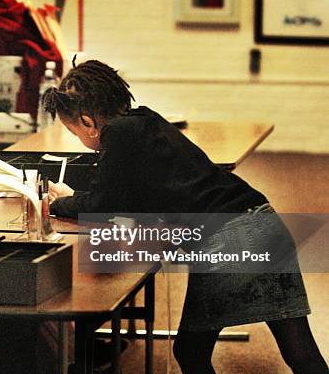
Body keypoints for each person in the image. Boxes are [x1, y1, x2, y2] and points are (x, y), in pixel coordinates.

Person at [44, 60, 328, 374]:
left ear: (88, 121)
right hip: (262, 222)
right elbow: (131, 196)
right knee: (299, 352)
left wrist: (60, 203)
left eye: (75, 132)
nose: (81, 140)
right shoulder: (145, 121)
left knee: (191, 353)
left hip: (228, 241)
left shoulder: (118, 135)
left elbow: (103, 205)